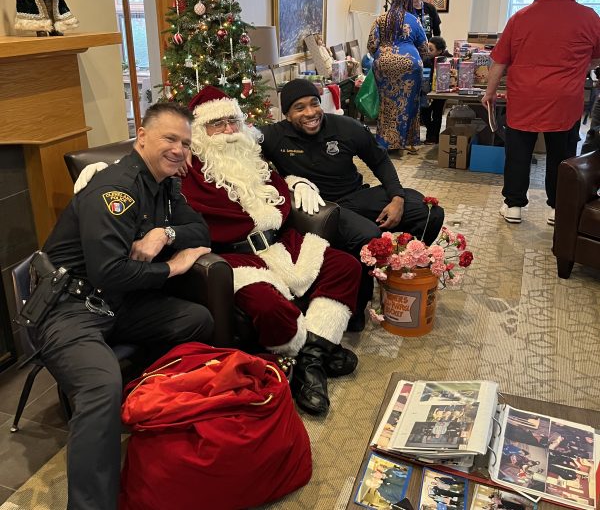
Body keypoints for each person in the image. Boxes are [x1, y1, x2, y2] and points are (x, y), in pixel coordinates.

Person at [36, 102, 215, 510]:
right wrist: (173, 266)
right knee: (101, 387)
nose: (179, 149)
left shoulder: (166, 184)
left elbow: (199, 229)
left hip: (119, 304)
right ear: (143, 137)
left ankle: (152, 418)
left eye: (185, 143)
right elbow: (110, 273)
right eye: (170, 138)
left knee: (196, 321)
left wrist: (163, 232)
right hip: (70, 309)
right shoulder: (114, 189)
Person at [181, 86, 361, 416]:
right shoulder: (187, 167)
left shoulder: (251, 157)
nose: (228, 131)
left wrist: (297, 182)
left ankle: (309, 361)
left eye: (233, 121)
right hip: (234, 258)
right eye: (217, 124)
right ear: (199, 133)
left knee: (346, 265)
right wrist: (102, 172)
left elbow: (277, 180)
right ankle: (312, 357)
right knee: (267, 305)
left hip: (279, 244)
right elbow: (148, 163)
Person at [259, 78, 444, 330]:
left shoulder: (345, 127)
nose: (310, 112)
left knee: (428, 211)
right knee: (369, 234)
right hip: (319, 209)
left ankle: (401, 273)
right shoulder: (274, 136)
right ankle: (356, 308)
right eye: (299, 108)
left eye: (314, 103)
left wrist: (397, 198)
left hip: (355, 195)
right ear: (287, 114)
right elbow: (235, 143)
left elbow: (379, 160)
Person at [482, 0, 600, 226]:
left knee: (518, 152)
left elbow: (499, 61)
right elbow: (596, 57)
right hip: (565, 99)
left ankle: (513, 205)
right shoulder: (589, 17)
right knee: (562, 154)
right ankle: (557, 208)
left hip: (524, 97)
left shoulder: (520, 18)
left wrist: (489, 93)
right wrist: (581, 66)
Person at [368, 0, 429, 154]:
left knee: (386, 102)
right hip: (410, 64)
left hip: (384, 64)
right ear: (408, 4)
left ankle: (385, 141)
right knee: (410, 103)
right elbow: (424, 47)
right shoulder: (414, 20)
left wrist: (384, 55)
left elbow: (372, 45)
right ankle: (409, 142)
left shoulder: (380, 19)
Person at [421, 36, 452, 144]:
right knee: (424, 113)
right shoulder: (425, 60)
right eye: (427, 48)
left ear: (440, 51)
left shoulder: (444, 62)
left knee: (437, 115)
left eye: (431, 49)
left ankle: (434, 137)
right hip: (426, 92)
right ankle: (430, 133)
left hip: (439, 93)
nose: (428, 51)